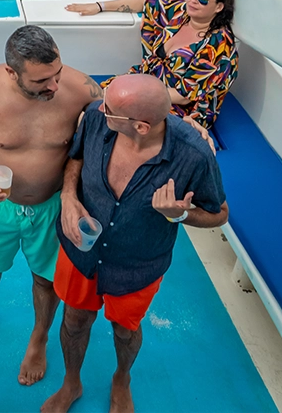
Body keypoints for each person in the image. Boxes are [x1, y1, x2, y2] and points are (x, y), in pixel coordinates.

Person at [43, 74, 228, 413]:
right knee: (74, 319)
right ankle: (71, 382)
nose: (99, 108)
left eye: (109, 108)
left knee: (125, 330)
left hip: (138, 264)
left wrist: (179, 214)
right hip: (81, 252)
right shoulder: (97, 119)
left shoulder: (194, 155)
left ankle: (122, 379)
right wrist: (68, 197)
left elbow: (219, 214)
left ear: (141, 126)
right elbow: (76, 158)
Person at [0, 26, 101, 385]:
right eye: (42, 80)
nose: (54, 86)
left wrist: (183, 128)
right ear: (12, 72)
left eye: (58, 73)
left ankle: (39, 336)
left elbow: (121, 123)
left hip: (51, 206)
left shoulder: (81, 89)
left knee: (46, 279)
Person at [66, 0, 238, 128]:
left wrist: (137, 94)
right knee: (94, 98)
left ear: (219, 7)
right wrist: (99, 6)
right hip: (149, 79)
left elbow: (184, 96)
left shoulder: (217, 45)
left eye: (203, 0)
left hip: (181, 107)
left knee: (115, 113)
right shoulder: (182, 13)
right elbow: (145, 3)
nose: (193, 1)